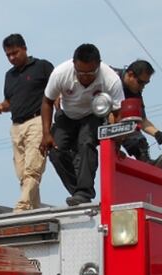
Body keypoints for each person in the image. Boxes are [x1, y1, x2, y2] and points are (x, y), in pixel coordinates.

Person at [40, 43, 124, 206]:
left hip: (93, 114)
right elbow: (47, 102)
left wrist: (118, 141)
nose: (85, 77)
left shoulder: (110, 78)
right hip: (67, 115)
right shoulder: (60, 73)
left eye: (90, 73)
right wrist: (46, 133)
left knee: (86, 143)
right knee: (55, 151)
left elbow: (118, 112)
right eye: (81, 73)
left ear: (99, 66)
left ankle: (84, 192)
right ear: (74, 65)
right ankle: (78, 191)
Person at [0, 34, 55, 212]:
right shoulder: (9, 75)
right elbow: (10, 102)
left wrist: (58, 102)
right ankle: (35, 210)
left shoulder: (42, 66)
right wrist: (0, 106)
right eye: (8, 55)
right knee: (22, 174)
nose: (12, 58)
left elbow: (56, 89)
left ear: (24, 49)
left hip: (37, 121)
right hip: (16, 126)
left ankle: (23, 206)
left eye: (15, 53)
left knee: (32, 169)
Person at [113, 60, 162, 169]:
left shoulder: (135, 94)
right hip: (94, 114)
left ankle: (144, 159)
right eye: (140, 82)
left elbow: (141, 120)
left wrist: (156, 133)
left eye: (145, 83)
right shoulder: (112, 78)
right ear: (130, 75)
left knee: (133, 130)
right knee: (124, 122)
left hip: (114, 124)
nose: (143, 86)